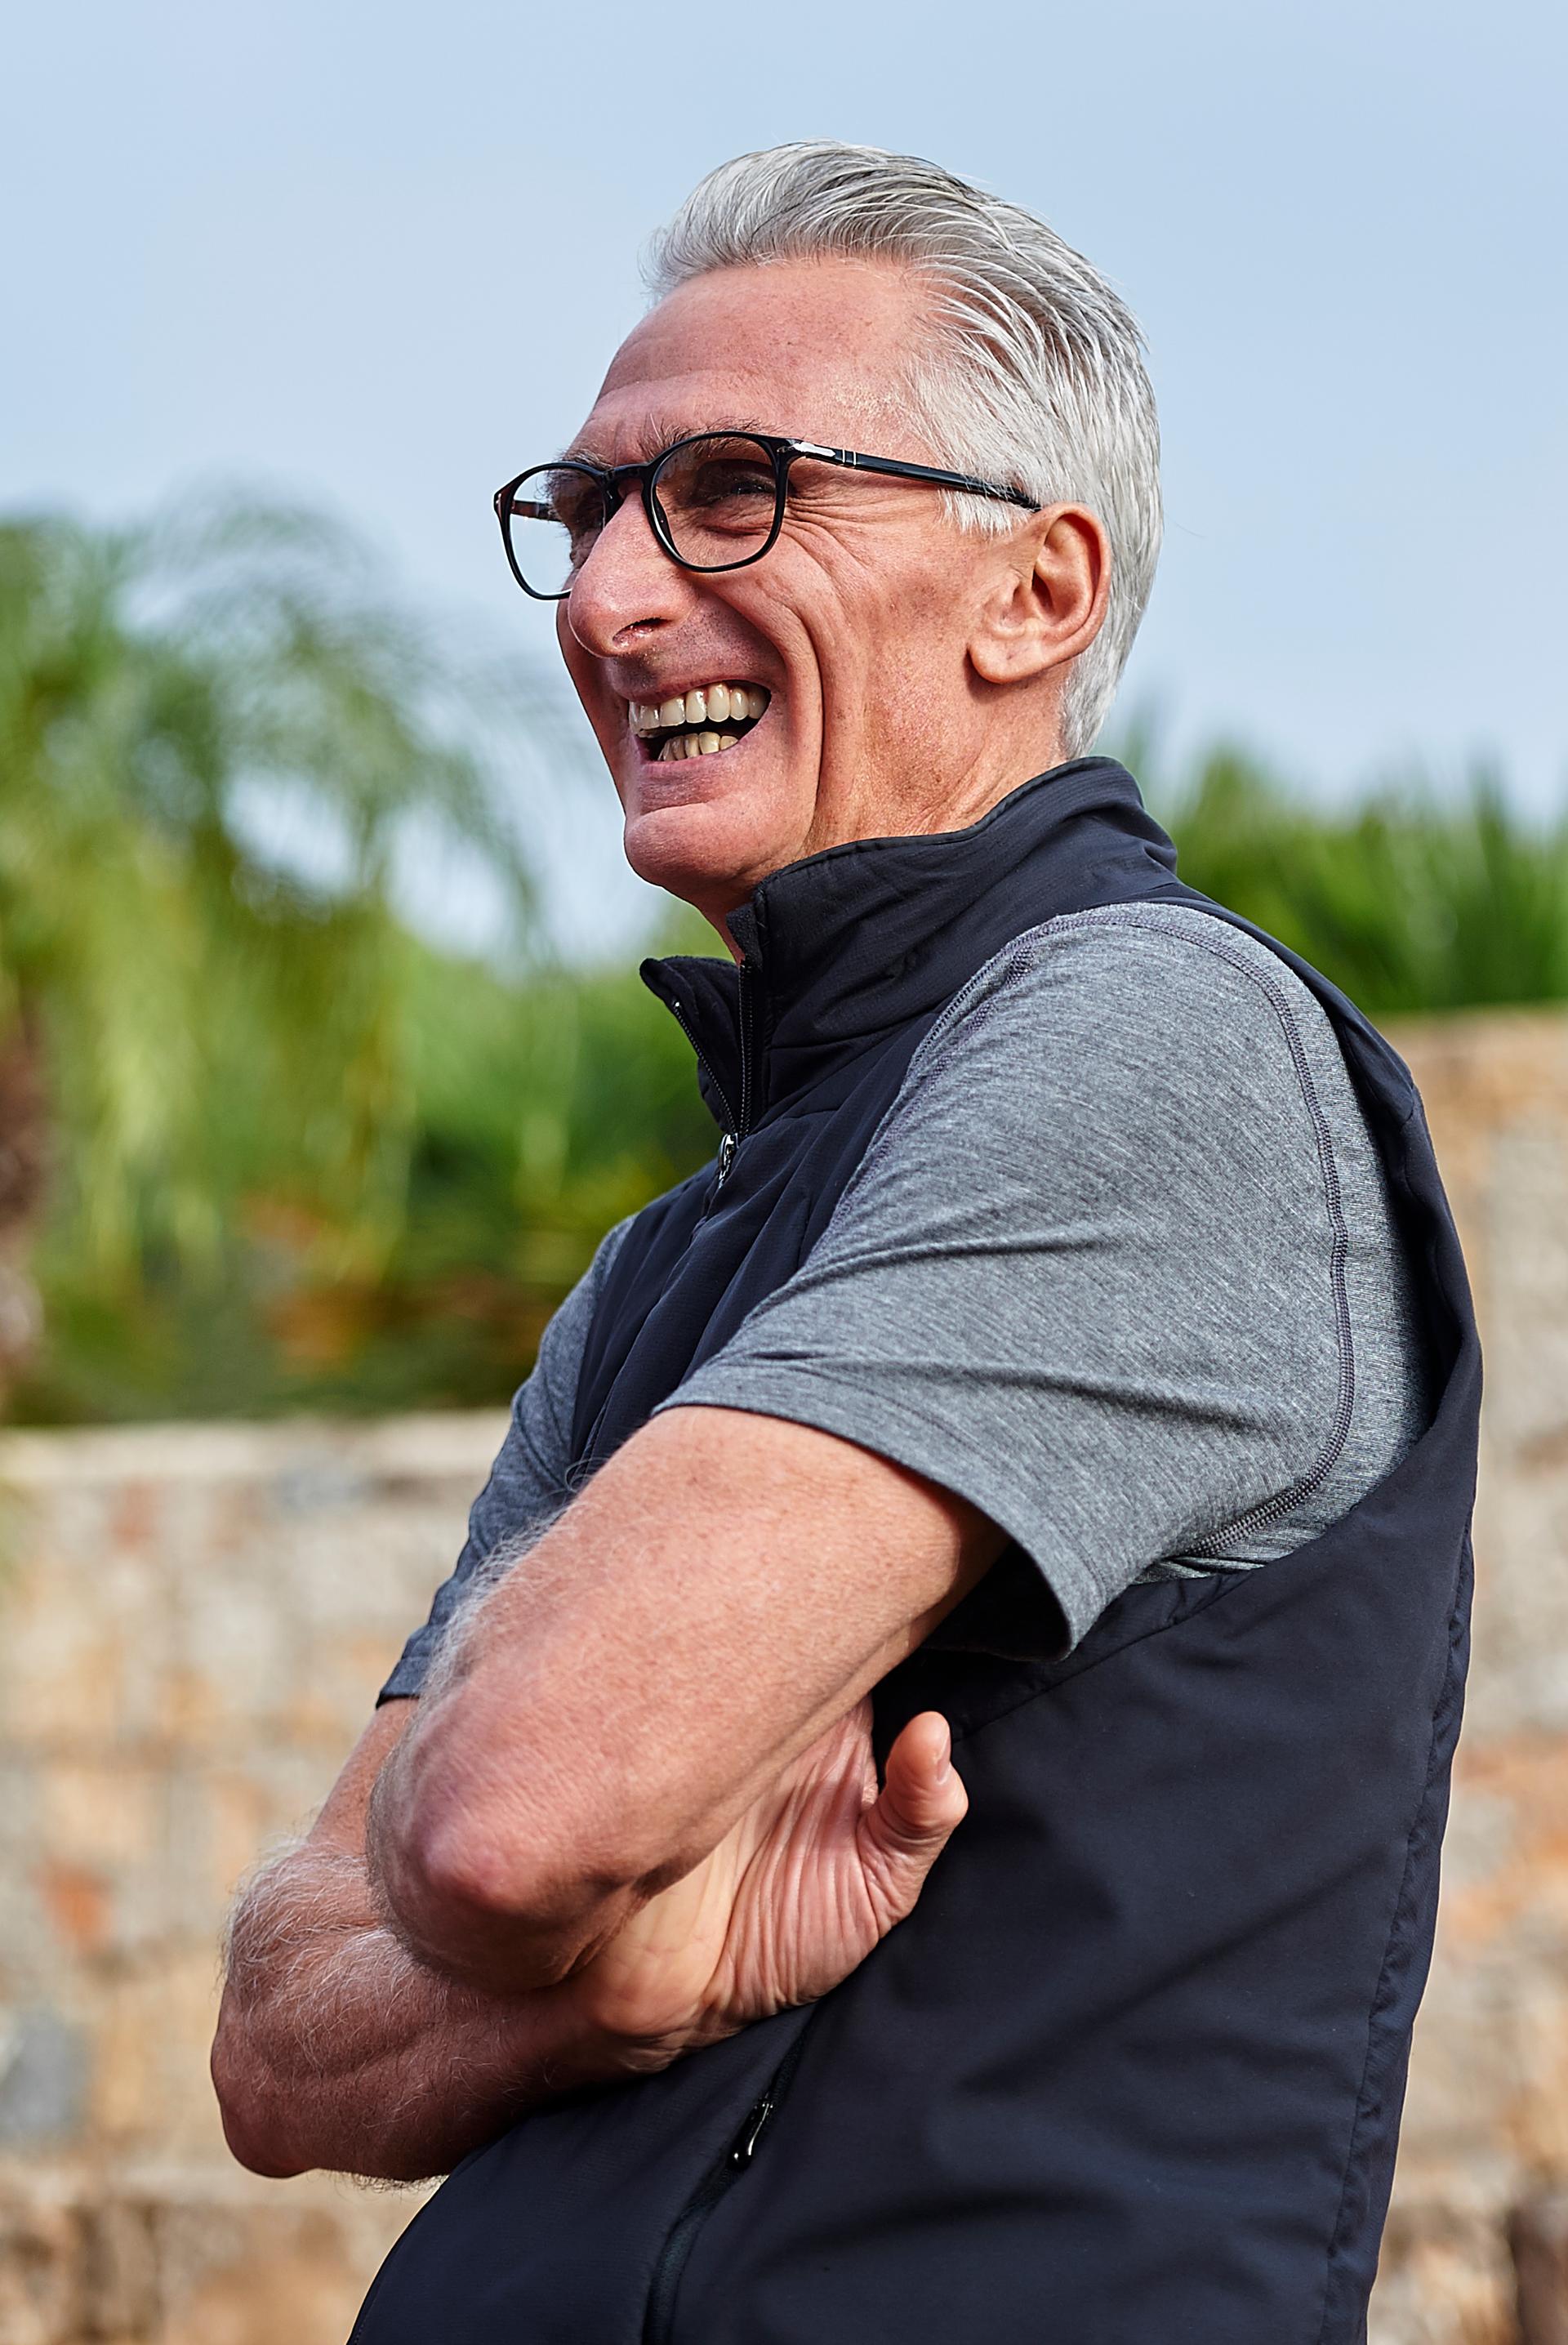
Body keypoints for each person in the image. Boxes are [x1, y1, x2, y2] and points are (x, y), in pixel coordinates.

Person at [211, 143, 1479, 2343]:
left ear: (1036, 594)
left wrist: (518, 1867)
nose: (609, 601)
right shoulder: (674, 1253)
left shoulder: (1157, 1036)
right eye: (587, 510)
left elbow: (503, 1815)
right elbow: (275, 2039)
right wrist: (602, 1986)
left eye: (728, 490)